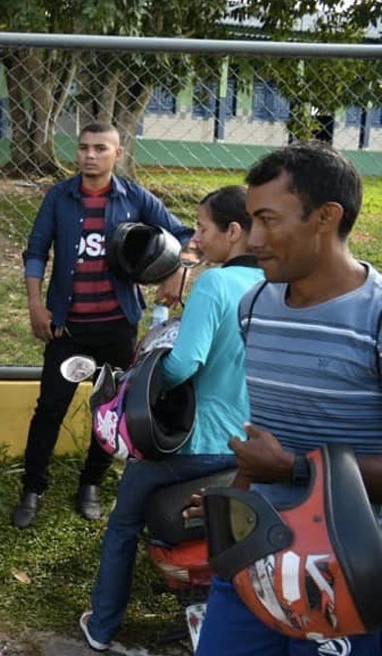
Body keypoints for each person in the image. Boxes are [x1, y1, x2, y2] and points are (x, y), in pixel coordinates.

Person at [193, 143, 382, 656]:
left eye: (268, 221)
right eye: (251, 220)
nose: (254, 240)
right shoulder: (253, 305)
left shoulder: (377, 318)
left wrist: (294, 468)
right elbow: (264, 434)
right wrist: (230, 503)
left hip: (349, 571)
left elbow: (283, 460)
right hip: (255, 551)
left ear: (326, 217)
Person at [78, 186, 262, 650]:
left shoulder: (217, 284)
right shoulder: (276, 286)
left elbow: (183, 365)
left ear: (234, 231)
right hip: (252, 446)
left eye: (202, 229)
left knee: (122, 523)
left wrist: (145, 375)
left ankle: (101, 626)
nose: (196, 239)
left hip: (196, 444)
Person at [14, 122, 193, 529]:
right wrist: (35, 306)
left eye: (100, 148)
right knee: (50, 408)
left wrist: (176, 273)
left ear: (118, 153)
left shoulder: (134, 198)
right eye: (83, 148)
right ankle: (33, 488)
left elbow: (184, 233)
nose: (90, 155)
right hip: (68, 327)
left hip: (117, 327)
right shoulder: (60, 197)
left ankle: (91, 483)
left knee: (109, 409)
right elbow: (37, 250)